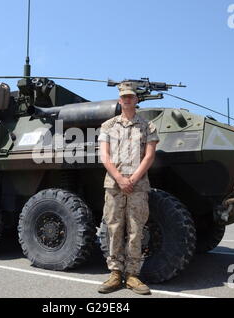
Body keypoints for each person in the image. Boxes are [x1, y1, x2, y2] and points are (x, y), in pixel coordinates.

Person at [97, 82, 159, 295]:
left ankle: (132, 275)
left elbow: (149, 155)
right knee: (114, 227)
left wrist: (132, 179)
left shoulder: (148, 126)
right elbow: (104, 155)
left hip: (138, 185)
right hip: (114, 185)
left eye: (131, 96)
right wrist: (119, 178)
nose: (127, 99)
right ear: (119, 100)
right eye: (124, 96)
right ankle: (115, 273)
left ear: (136, 100)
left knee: (136, 229)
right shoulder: (107, 126)